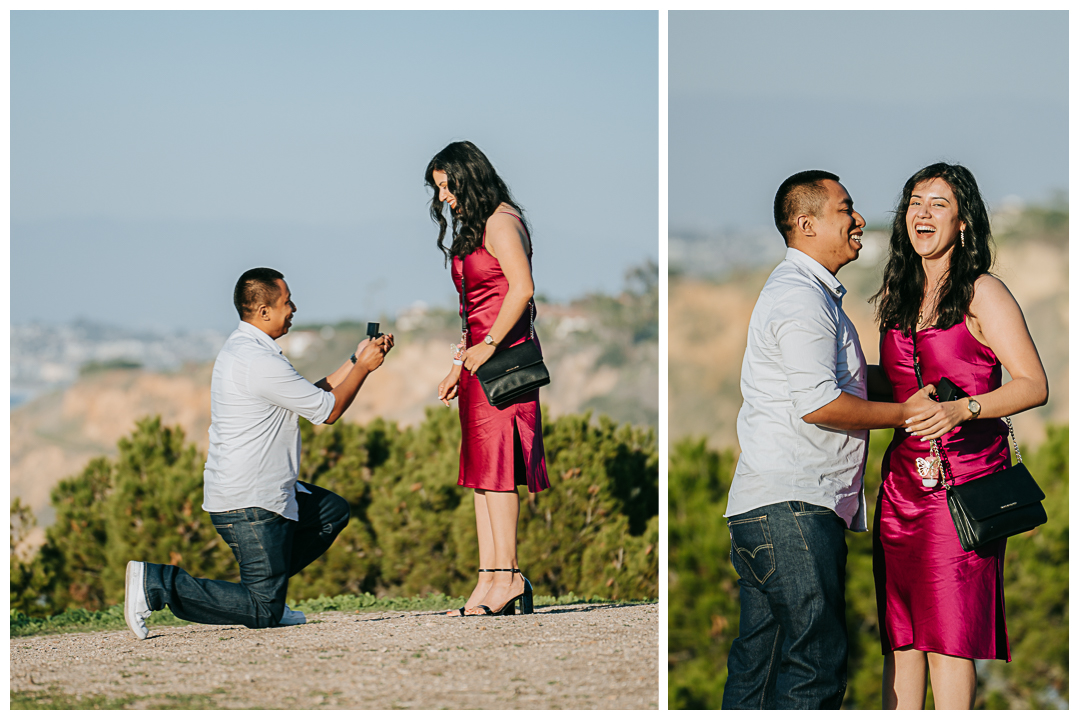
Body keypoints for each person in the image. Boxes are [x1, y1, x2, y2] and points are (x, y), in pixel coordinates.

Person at [722, 171, 938, 709]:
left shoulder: (807, 294)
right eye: (847, 209)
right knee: (813, 668)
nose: (859, 220)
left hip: (766, 506)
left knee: (760, 668)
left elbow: (841, 381)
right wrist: (905, 413)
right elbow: (820, 403)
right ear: (807, 223)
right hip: (794, 507)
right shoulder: (802, 298)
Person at [124, 267, 394, 639]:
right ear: (264, 311)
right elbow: (328, 412)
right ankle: (157, 583)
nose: (294, 308)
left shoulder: (250, 351)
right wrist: (364, 369)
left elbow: (312, 396)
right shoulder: (258, 362)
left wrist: (354, 358)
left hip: (260, 493)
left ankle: (271, 590)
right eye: (287, 302)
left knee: (331, 511)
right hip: (250, 503)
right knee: (262, 609)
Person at [870, 163, 1048, 710]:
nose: (922, 213)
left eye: (938, 204)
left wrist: (963, 410)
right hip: (900, 491)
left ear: (964, 221)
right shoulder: (897, 294)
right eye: (915, 202)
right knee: (900, 641)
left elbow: (1033, 385)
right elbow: (895, 385)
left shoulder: (983, 291)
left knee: (950, 642)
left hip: (962, 494)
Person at [424, 140, 549, 617]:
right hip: (479, 362)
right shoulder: (475, 226)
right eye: (437, 190)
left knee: (500, 475)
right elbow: (472, 308)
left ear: (467, 175)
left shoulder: (502, 221)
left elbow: (523, 290)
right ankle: (489, 576)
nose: (443, 199)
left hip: (506, 362)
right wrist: (460, 362)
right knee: (481, 477)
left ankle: (511, 576)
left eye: (446, 186)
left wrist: (490, 345)